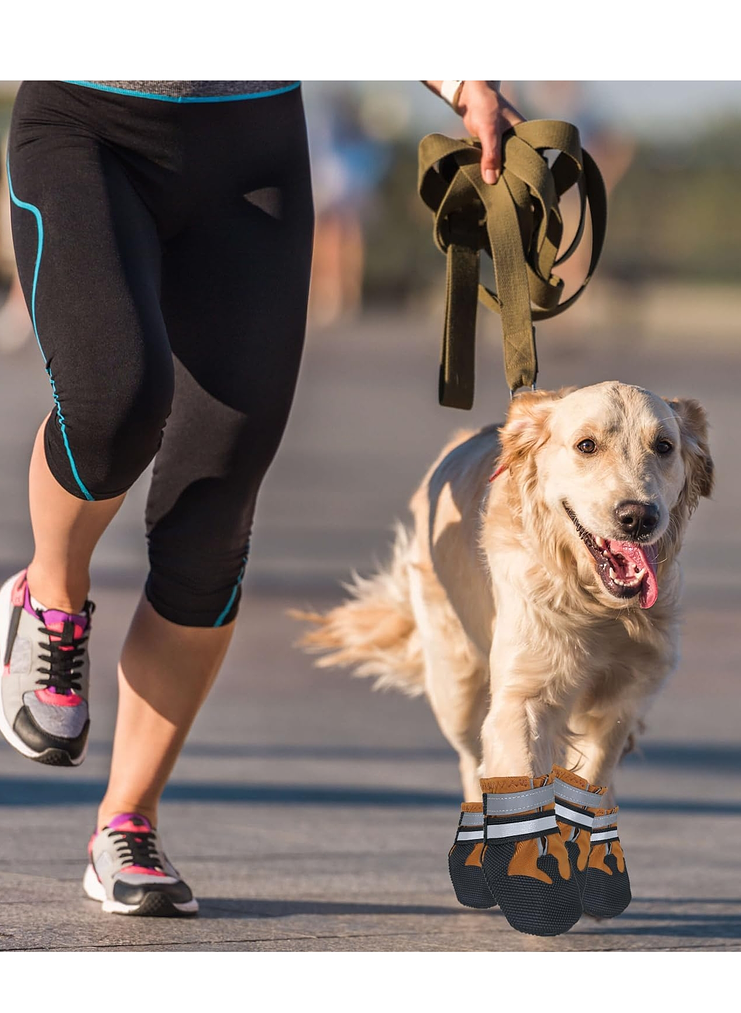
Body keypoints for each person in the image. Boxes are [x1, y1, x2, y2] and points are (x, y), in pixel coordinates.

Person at [0, 79, 524, 917]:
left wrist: (462, 80)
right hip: (87, 122)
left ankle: (127, 821)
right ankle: (49, 594)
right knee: (116, 406)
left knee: (217, 497)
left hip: (251, 149)